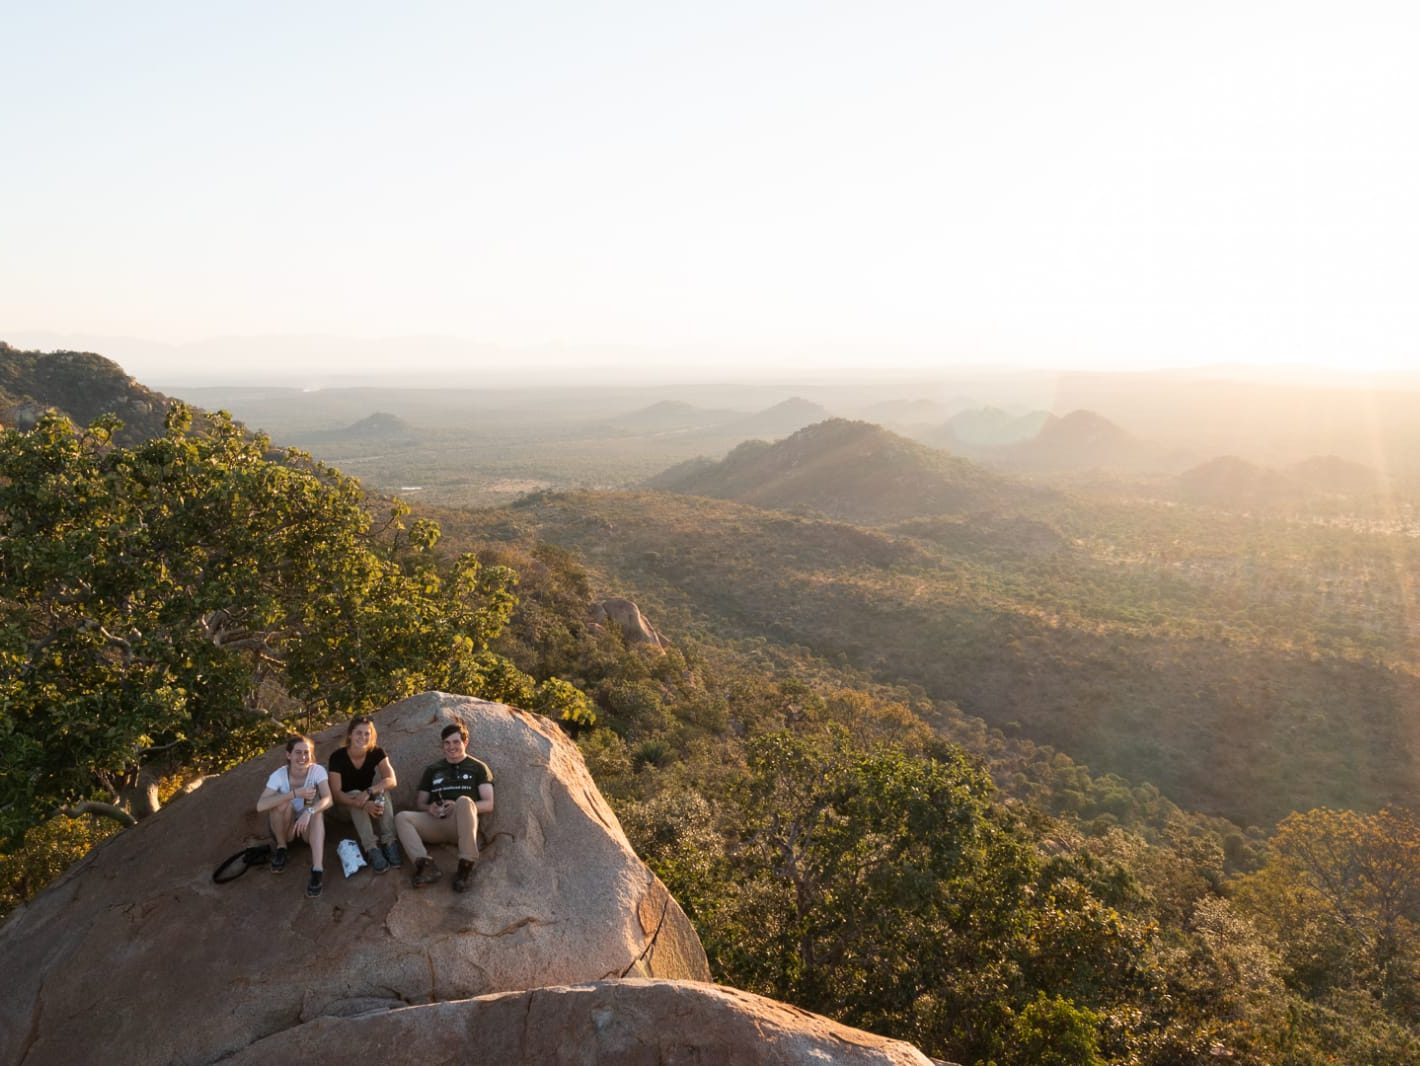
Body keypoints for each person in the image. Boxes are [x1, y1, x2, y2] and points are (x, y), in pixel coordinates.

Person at [395, 721, 493, 893]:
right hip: (436, 821)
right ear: (442, 745)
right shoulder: (433, 769)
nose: (451, 747)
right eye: (447, 743)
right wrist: (429, 808)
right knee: (401, 817)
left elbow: (488, 804)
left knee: (464, 801)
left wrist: (460, 805)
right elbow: (420, 802)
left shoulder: (478, 768)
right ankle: (425, 866)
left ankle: (465, 867)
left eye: (456, 742)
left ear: (465, 742)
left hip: (461, 824)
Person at [256, 734, 332, 898]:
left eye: (307, 753)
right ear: (288, 755)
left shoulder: (317, 771)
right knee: (281, 804)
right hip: (285, 829)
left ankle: (317, 869)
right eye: (298, 752)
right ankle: (282, 848)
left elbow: (328, 799)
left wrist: (309, 812)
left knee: (317, 810)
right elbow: (260, 805)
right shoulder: (279, 775)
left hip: (306, 828)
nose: (303, 757)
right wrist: (293, 794)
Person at [327, 715, 401, 873]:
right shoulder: (337, 757)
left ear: (372, 735)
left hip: (365, 800)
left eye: (367, 733)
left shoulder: (376, 752)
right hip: (344, 808)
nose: (363, 737)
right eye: (358, 733)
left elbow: (392, 780)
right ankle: (371, 848)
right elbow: (336, 794)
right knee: (354, 793)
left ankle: (389, 841)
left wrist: (370, 792)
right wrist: (362, 803)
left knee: (382, 790)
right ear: (350, 735)